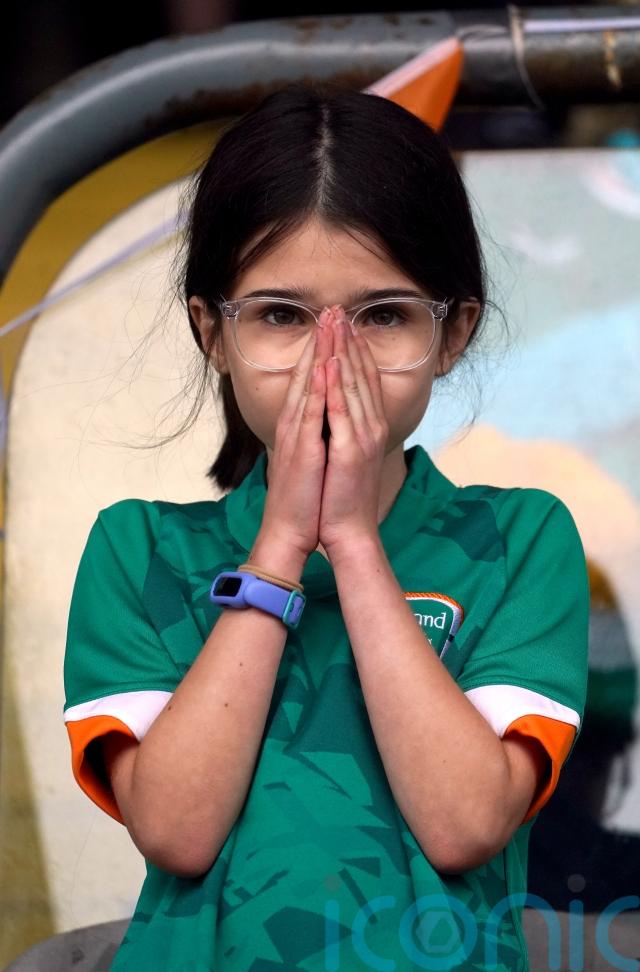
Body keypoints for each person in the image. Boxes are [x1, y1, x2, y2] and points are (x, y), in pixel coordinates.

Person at [63, 84, 589, 971]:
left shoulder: (520, 540)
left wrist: (352, 542)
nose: (330, 362)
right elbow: (177, 832)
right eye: (281, 315)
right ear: (212, 332)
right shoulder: (139, 550)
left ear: (453, 333)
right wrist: (279, 549)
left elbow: (466, 825)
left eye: (383, 316)